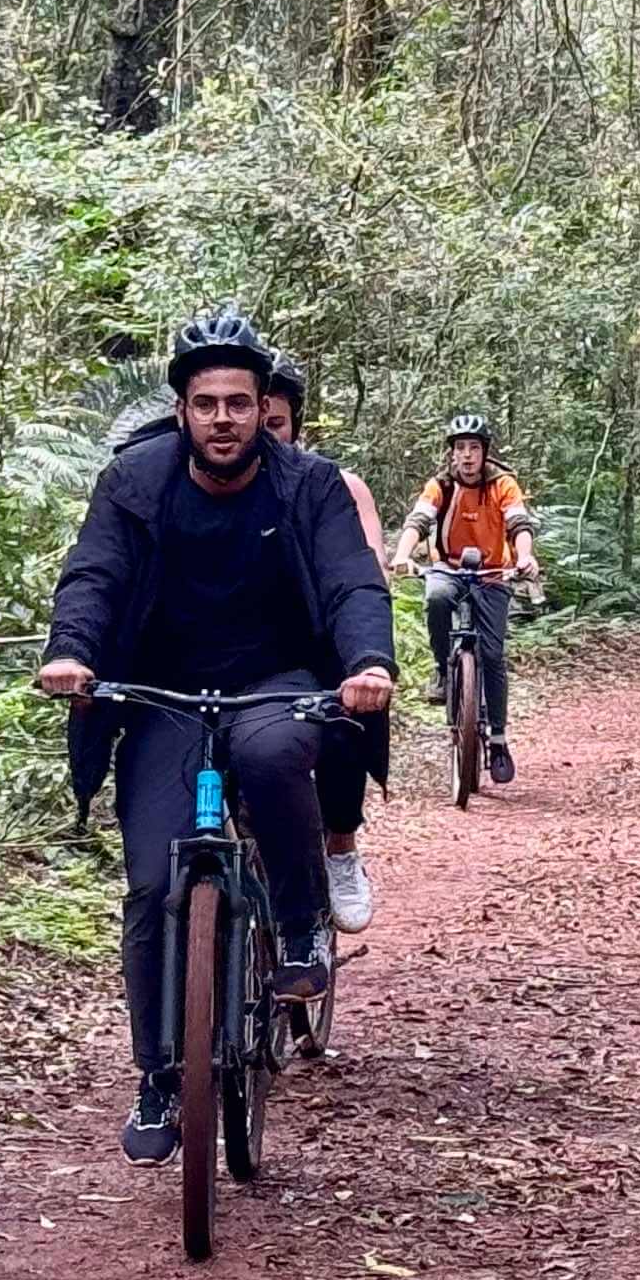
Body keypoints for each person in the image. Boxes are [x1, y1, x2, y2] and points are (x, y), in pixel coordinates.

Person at [39, 309, 393, 1164]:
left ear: (263, 405)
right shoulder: (135, 481)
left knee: (274, 756)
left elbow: (351, 582)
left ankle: (302, 925)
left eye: (241, 402)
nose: (226, 419)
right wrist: (72, 652)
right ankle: (160, 1079)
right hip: (162, 692)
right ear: (183, 409)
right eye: (208, 404)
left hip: (274, 681)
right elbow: (95, 573)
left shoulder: (308, 485)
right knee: (151, 878)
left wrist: (369, 661)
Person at [262, 359, 388, 936]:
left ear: (296, 427)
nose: (261, 432)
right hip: (249, 653)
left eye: (276, 421)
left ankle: (340, 846)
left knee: (350, 711)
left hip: (323, 640)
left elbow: (366, 570)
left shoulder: (332, 484)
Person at [389, 412, 537, 786]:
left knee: (492, 654)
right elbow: (418, 521)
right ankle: (442, 668)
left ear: (485, 452)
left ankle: (499, 737)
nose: (467, 456)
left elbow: (519, 524)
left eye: (474, 448)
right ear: (451, 454)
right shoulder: (441, 485)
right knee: (437, 597)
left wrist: (524, 557)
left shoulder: (503, 484)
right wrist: (403, 555)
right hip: (449, 569)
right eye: (460, 449)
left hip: (493, 573)